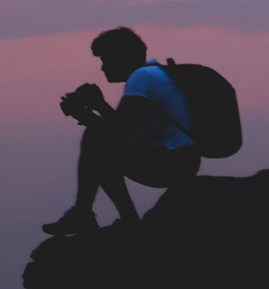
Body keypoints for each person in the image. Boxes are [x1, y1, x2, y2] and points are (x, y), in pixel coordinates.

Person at [42, 26, 200, 236]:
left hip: (173, 162)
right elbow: (126, 129)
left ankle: (94, 215)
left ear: (122, 57)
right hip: (180, 160)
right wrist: (98, 106)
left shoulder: (141, 78)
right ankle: (96, 215)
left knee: (96, 140)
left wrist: (85, 115)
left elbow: (120, 132)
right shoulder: (152, 75)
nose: (102, 68)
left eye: (106, 60)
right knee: (100, 140)